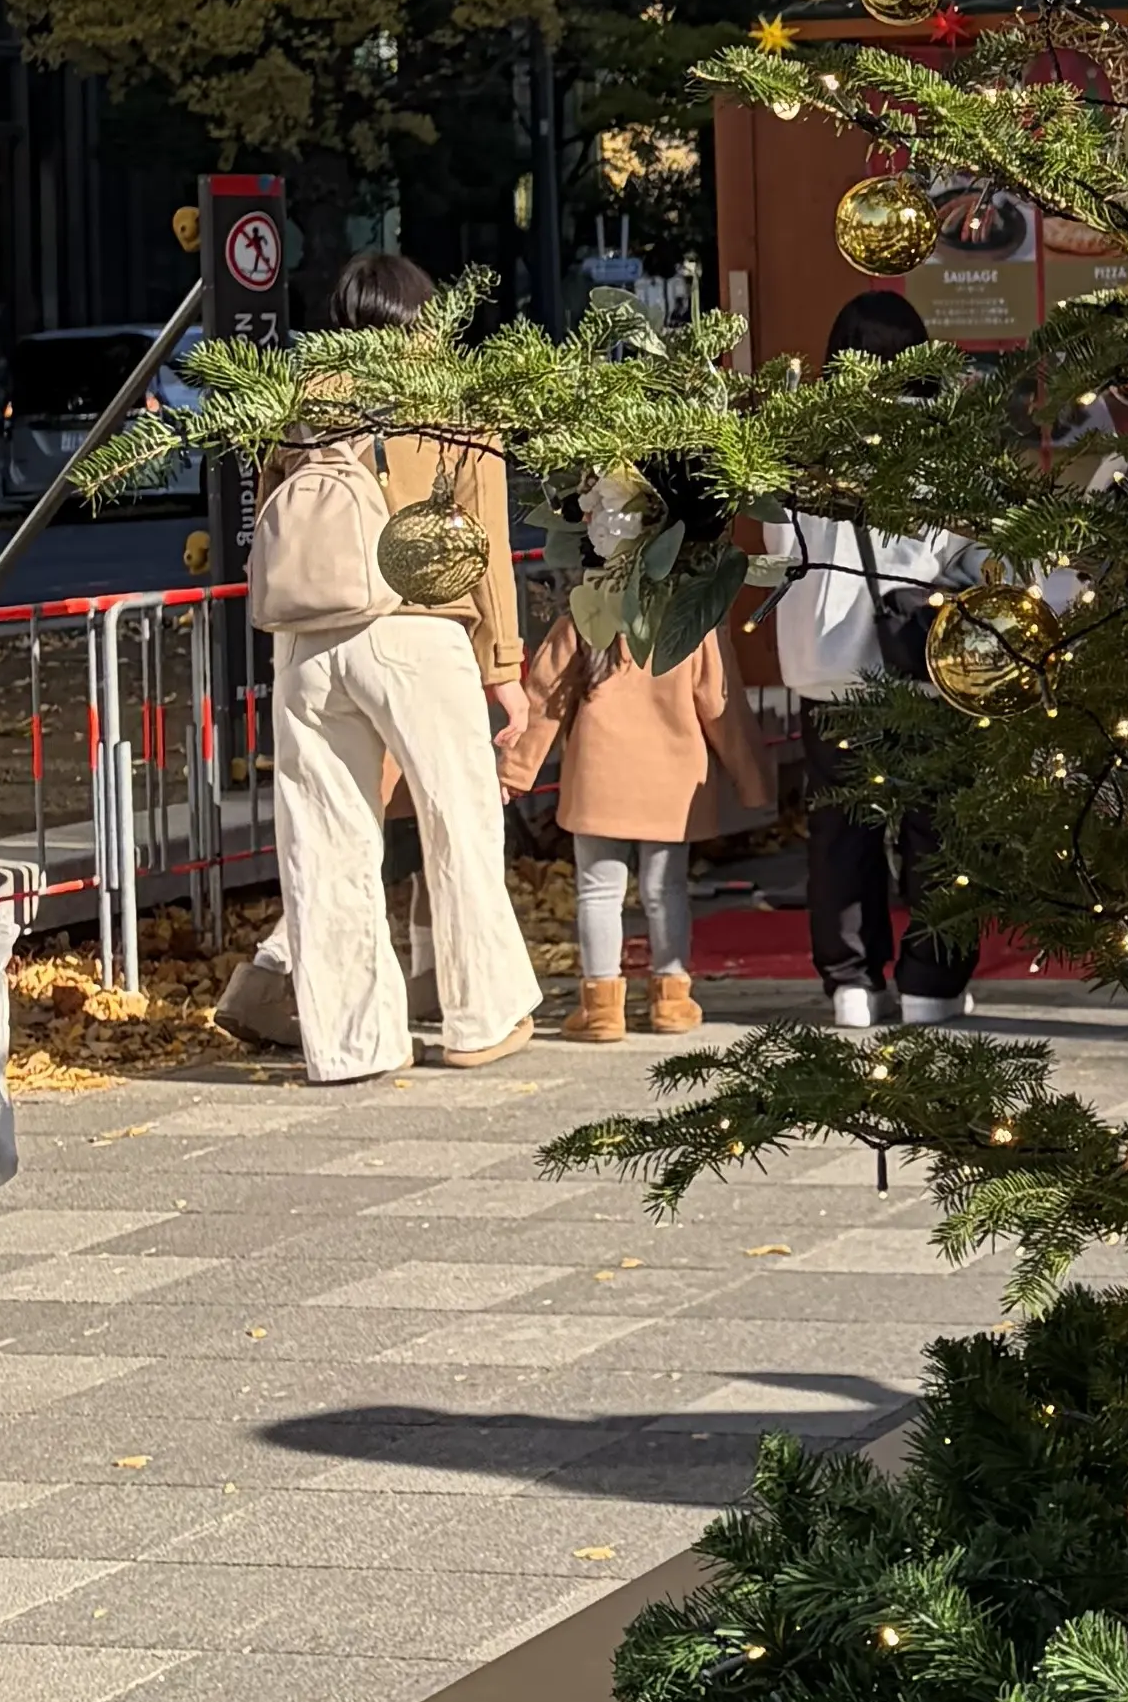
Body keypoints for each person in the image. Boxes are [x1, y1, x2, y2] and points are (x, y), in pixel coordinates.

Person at [245, 252, 542, 1083]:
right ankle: (479, 1015)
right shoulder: (449, 400)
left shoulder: (304, 395)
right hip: (416, 630)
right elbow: (483, 543)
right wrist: (504, 666)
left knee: (323, 842)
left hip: (306, 640)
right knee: (460, 823)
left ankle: (349, 1045)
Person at [761, 291, 986, 1029]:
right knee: (938, 830)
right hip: (922, 667)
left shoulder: (797, 443)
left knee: (840, 832)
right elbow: (976, 555)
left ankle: (853, 984)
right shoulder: (948, 440)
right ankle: (933, 985)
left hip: (827, 669)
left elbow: (779, 551)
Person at [501, 548, 772, 1041]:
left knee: (598, 892)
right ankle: (671, 999)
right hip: (670, 781)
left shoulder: (582, 620)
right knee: (665, 891)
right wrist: (752, 781)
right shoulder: (690, 624)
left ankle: (601, 1006)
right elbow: (721, 707)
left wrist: (516, 771)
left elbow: (544, 700)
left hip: (599, 778)